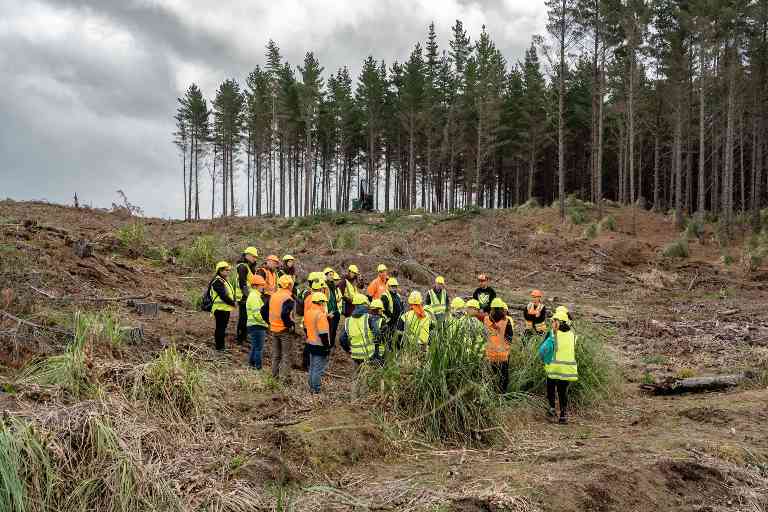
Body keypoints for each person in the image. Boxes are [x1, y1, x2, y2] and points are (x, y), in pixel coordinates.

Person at [544, 308, 578, 424]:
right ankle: (563, 415)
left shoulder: (551, 334)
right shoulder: (572, 335)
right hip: (567, 370)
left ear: (557, 322)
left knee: (551, 389)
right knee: (563, 392)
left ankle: (552, 409)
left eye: (553, 321)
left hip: (553, 368)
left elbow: (544, 349)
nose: (552, 323)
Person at [340, 294, 381, 370]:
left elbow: (342, 339)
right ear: (365, 305)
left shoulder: (348, 321)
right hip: (369, 354)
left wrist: (349, 350)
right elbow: (377, 333)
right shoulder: (369, 318)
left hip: (355, 354)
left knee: (358, 374)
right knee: (369, 375)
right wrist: (376, 346)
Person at [268, 275, 296, 382]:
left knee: (276, 355)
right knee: (286, 356)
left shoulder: (273, 296)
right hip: (284, 331)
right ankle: (285, 379)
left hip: (274, 329)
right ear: (289, 285)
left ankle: (274, 377)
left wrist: (270, 322)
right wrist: (290, 326)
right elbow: (285, 314)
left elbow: (263, 310)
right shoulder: (288, 298)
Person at [484, 298, 514, 393]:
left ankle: (491, 392)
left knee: (491, 375)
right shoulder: (506, 321)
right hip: (502, 355)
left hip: (490, 354)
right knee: (503, 376)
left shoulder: (485, 320)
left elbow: (485, 335)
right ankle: (502, 394)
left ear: (491, 309)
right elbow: (509, 339)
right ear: (502, 309)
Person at [305, 292, 331, 394]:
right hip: (320, 345)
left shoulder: (308, 312)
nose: (325, 304)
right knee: (317, 369)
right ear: (320, 302)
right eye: (324, 302)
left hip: (310, 343)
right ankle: (316, 389)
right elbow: (323, 333)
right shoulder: (320, 315)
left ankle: (311, 386)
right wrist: (327, 347)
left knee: (312, 367)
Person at [235, 246, 259, 345]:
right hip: (243, 297)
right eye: (254, 256)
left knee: (246, 318)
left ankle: (244, 337)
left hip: (247, 296)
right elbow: (242, 284)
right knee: (243, 318)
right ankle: (240, 339)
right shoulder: (242, 267)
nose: (255, 259)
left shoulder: (248, 267)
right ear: (247, 255)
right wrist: (248, 296)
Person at [210, 261, 236, 351]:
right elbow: (223, 296)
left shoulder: (224, 280)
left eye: (229, 270)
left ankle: (221, 347)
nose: (228, 271)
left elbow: (229, 294)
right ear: (220, 271)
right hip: (220, 309)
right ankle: (219, 347)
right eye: (226, 270)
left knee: (222, 328)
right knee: (220, 329)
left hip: (225, 309)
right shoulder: (217, 281)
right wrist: (233, 303)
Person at [245, 274, 269, 369]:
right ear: (255, 285)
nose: (263, 287)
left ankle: (251, 365)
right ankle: (258, 368)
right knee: (259, 348)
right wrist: (266, 322)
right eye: (261, 285)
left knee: (255, 347)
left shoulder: (254, 295)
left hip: (254, 325)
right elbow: (257, 314)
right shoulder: (254, 296)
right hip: (257, 325)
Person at [324, 268, 343, 346]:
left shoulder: (333, 286)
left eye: (332, 275)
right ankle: (328, 345)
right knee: (329, 330)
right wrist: (327, 313)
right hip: (329, 313)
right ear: (325, 276)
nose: (332, 276)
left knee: (334, 330)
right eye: (330, 275)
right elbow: (325, 301)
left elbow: (335, 299)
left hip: (335, 311)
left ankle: (331, 344)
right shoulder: (325, 287)